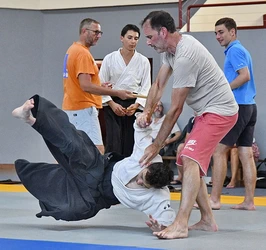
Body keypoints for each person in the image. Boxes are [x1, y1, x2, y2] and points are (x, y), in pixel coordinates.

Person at [137, 11, 238, 239]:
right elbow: (158, 84)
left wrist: (156, 146)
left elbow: (175, 110)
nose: (148, 42)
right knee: (184, 154)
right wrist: (146, 111)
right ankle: (207, 220)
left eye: (150, 37)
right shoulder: (170, 51)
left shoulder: (185, 56)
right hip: (206, 112)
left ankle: (181, 224)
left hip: (220, 112)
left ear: (163, 32)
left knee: (190, 158)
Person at [12, 95, 175, 231]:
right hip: (99, 167)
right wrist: (141, 122)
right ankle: (31, 118)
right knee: (74, 146)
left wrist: (160, 227)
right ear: (147, 166)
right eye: (142, 176)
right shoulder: (147, 155)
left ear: (156, 188)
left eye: (144, 184)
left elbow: (167, 222)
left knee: (70, 210)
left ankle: (29, 170)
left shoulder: (159, 198)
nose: (139, 181)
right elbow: (141, 130)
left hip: (95, 198)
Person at [62, 18, 133, 155]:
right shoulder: (83, 54)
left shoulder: (72, 49)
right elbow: (86, 86)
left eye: (100, 33)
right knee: (97, 151)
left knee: (74, 151)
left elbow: (80, 81)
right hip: (83, 109)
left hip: (73, 107)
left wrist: (99, 85)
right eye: (95, 32)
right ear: (84, 31)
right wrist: (116, 93)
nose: (98, 36)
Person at [210, 17, 257, 210]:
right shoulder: (240, 50)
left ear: (233, 32)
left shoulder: (235, 50)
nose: (218, 36)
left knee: (219, 151)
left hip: (238, 106)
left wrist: (224, 90)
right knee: (245, 153)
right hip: (250, 106)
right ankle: (249, 201)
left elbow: (244, 76)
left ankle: (214, 199)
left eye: (221, 32)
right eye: (216, 33)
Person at [99, 24, 151, 156]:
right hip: (112, 103)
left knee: (131, 142)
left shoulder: (143, 61)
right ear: (122, 38)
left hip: (133, 104)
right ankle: (111, 173)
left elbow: (146, 86)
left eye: (136, 38)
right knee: (113, 142)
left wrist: (137, 105)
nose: (133, 41)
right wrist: (111, 103)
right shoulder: (109, 59)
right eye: (130, 37)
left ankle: (130, 174)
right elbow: (101, 84)